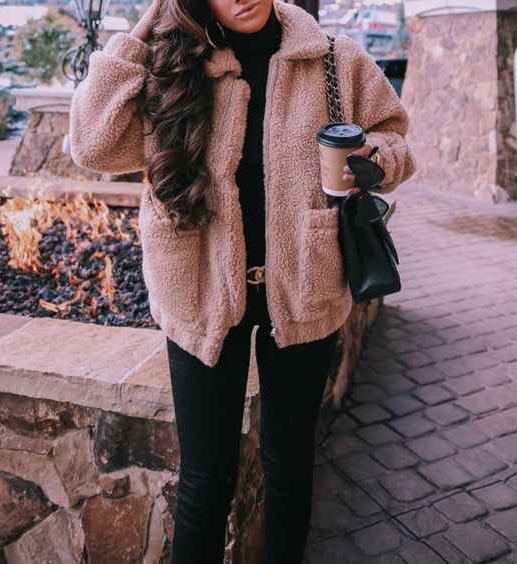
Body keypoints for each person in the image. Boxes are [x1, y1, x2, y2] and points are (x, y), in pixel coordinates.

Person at [68, 0, 416, 561]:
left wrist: (371, 159)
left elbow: (394, 135)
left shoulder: (334, 59)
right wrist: (146, 26)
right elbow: (92, 145)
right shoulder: (171, 65)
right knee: (205, 482)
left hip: (305, 288)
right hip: (200, 294)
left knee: (289, 468)